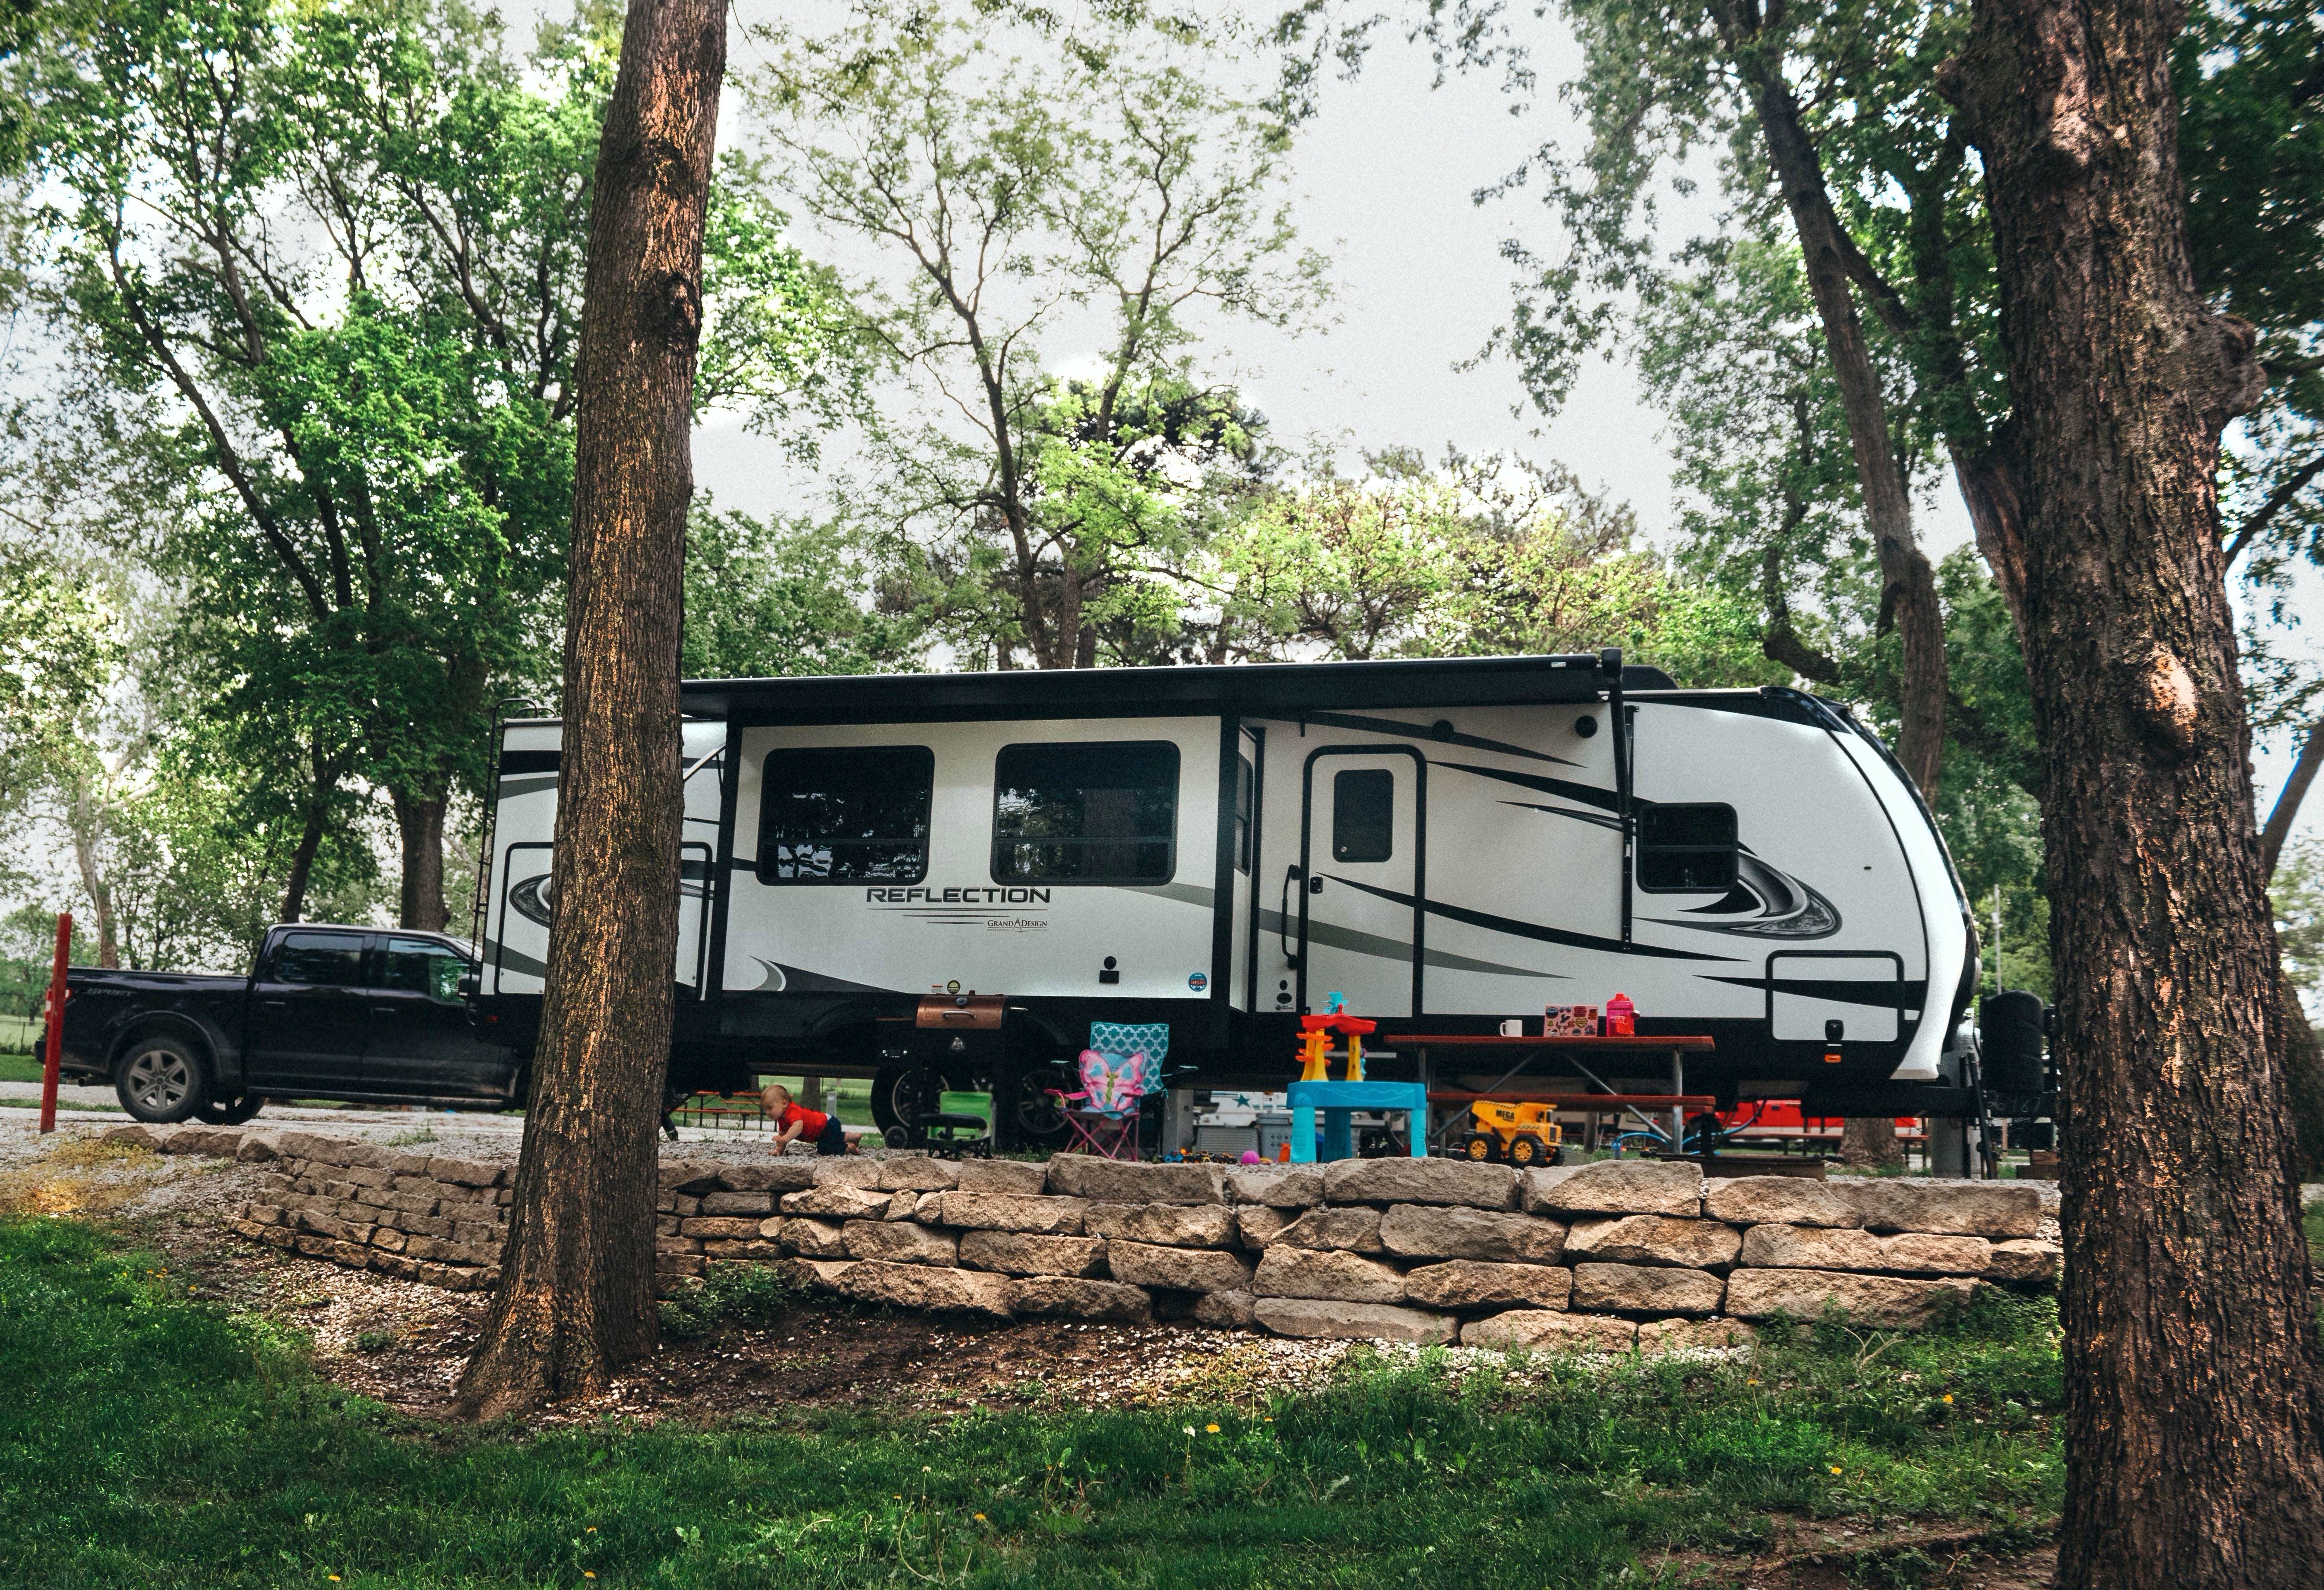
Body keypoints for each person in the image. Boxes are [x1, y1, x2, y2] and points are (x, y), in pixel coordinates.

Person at [762, 1082, 852, 1156]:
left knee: (825, 1150)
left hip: (827, 1125)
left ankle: (848, 1148)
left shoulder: (792, 1111)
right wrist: (779, 1150)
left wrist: (785, 1139)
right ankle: (852, 1136)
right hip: (822, 1129)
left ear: (784, 1104)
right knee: (829, 1141)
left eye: (770, 1108)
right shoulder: (782, 1118)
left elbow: (798, 1127)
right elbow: (782, 1134)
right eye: (765, 1109)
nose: (767, 1113)